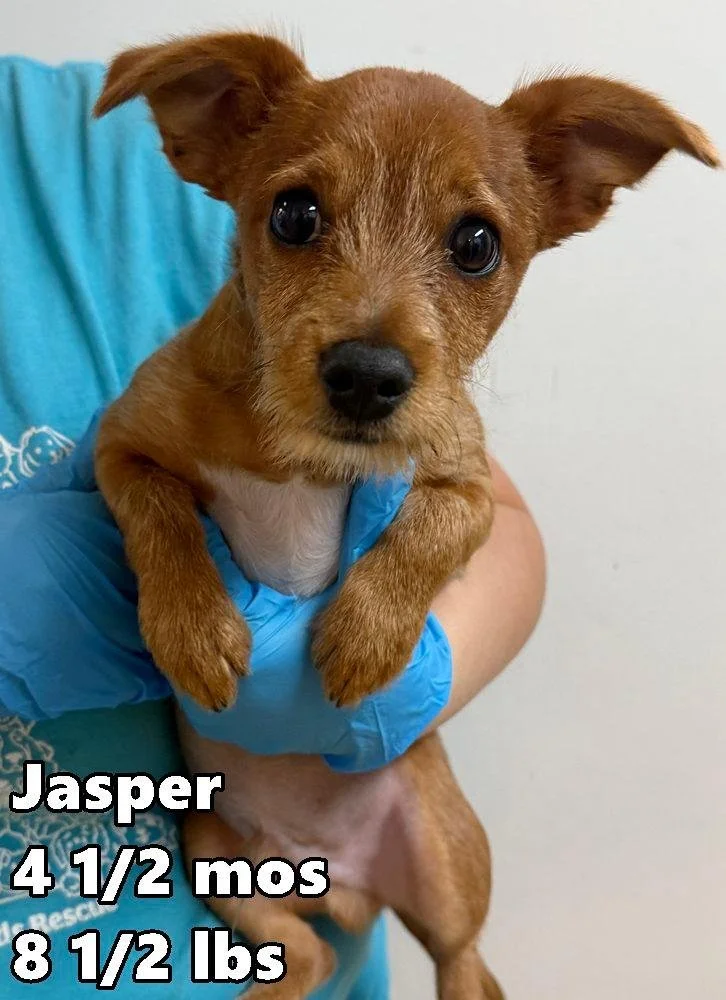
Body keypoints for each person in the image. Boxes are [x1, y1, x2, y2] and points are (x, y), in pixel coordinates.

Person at [0, 55, 545, 997]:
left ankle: (463, 964)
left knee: (453, 916)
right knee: (216, 849)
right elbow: (131, 452)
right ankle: (290, 948)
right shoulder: (191, 377)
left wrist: (417, 633)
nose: (372, 346)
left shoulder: (99, 152)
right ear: (209, 142)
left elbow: (485, 509)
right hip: (208, 826)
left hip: (366, 787)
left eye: (471, 247)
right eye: (300, 221)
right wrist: (168, 561)